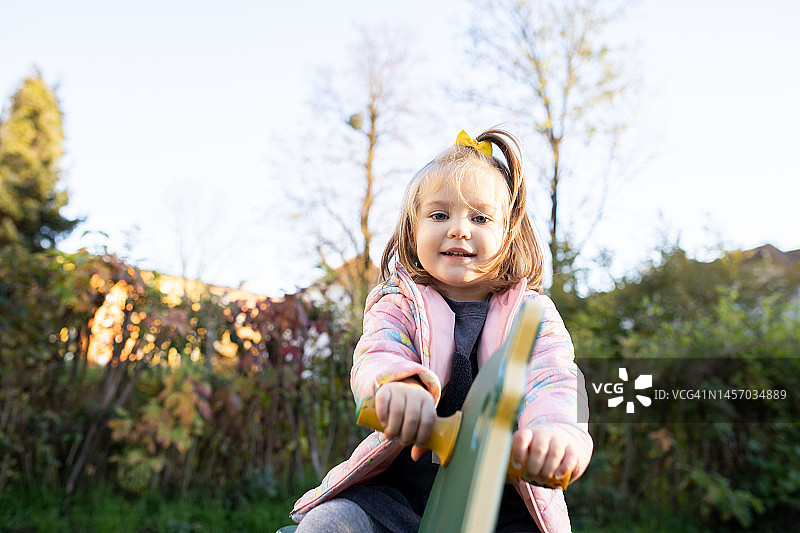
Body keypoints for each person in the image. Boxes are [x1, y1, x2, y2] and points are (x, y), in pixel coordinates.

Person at [291, 128, 592, 533]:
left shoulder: (531, 315)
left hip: (500, 505)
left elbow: (554, 379)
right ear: (412, 231)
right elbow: (379, 351)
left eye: (480, 217)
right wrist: (397, 388)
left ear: (509, 233)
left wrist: (555, 435)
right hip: (398, 496)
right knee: (330, 523)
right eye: (439, 215)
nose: (459, 229)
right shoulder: (398, 301)